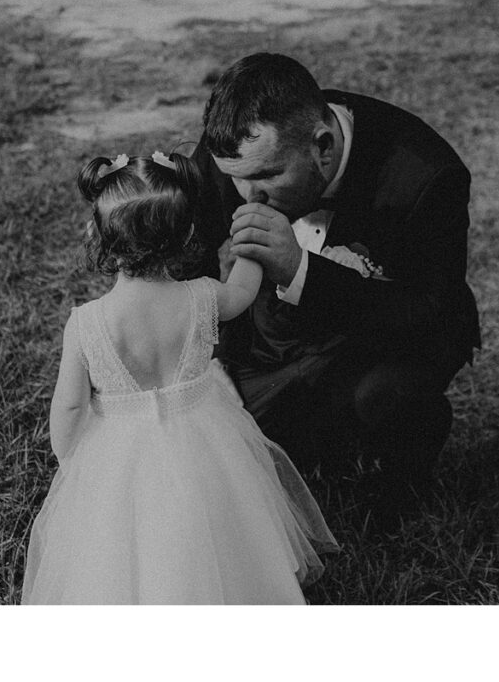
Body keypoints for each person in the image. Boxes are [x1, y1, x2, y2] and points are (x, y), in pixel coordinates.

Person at [21, 151, 338, 604]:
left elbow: (69, 404)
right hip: (204, 439)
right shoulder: (203, 297)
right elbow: (243, 293)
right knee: (217, 527)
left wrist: (69, 454)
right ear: (187, 232)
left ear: (99, 236)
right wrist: (251, 246)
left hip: (120, 457)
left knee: (124, 544)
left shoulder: (87, 323)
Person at [190, 53, 481, 527]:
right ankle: (314, 430)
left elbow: (431, 311)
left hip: (397, 333)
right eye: (234, 179)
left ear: (322, 147)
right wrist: (209, 356)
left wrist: (301, 268)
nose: (247, 197)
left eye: (266, 177)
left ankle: (408, 450)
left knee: (381, 396)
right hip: (282, 327)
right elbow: (189, 252)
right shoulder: (238, 145)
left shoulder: (426, 177)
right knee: (228, 439)